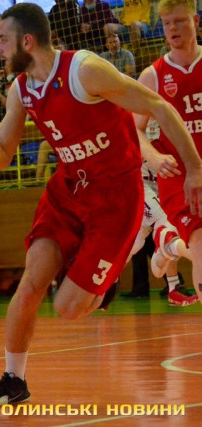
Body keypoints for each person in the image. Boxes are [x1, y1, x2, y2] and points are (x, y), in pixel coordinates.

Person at [0, 3, 202, 407]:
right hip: (68, 191)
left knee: (68, 308)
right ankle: (13, 379)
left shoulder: (85, 70)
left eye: (4, 41)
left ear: (27, 41)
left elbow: (159, 107)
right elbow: (3, 152)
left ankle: (104, 280)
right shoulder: (20, 90)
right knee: (31, 281)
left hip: (116, 198)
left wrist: (194, 169)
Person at [134, 0, 202, 307]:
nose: (172, 28)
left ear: (195, 21)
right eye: (166, 23)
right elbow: (133, 129)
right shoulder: (153, 75)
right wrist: (152, 156)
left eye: (179, 21)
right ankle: (168, 252)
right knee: (199, 244)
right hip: (178, 176)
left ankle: (167, 250)